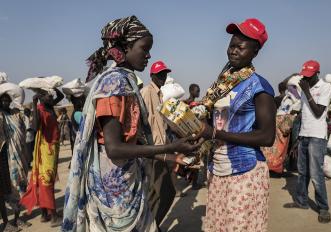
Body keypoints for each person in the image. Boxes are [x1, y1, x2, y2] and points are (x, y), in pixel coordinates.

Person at [62, 16, 202, 232]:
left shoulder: (124, 81)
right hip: (115, 193)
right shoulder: (115, 83)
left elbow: (132, 141)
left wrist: (171, 156)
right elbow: (115, 149)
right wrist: (172, 146)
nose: (148, 55)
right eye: (144, 49)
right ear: (126, 47)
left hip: (125, 184)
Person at [198, 18, 276, 231]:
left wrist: (215, 133)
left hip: (245, 172)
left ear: (255, 52)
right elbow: (214, 124)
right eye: (231, 45)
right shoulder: (222, 85)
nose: (233, 51)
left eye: (240, 47)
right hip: (218, 169)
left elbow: (267, 137)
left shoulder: (259, 87)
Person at [284, 60, 331, 223]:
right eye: (305, 76)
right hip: (304, 134)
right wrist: (298, 137)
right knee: (302, 172)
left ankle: (324, 208)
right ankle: (301, 201)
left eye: (309, 77)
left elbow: (319, 112)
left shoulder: (325, 87)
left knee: (316, 173)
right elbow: (304, 114)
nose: (306, 79)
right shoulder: (304, 88)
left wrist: (307, 91)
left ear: (317, 74)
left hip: (317, 137)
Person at [141, 60, 188, 226]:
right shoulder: (147, 92)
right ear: (152, 75)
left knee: (163, 192)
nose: (163, 76)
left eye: (165, 73)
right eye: (159, 74)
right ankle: (151, 225)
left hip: (163, 148)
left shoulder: (161, 95)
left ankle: (152, 225)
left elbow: (163, 124)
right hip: (154, 151)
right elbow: (143, 122)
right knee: (161, 192)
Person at [20, 87, 64, 227]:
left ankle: (45, 215)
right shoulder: (39, 110)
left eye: (51, 96)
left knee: (45, 179)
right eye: (48, 96)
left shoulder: (49, 107)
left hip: (52, 148)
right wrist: (33, 102)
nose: (51, 98)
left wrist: (53, 86)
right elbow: (35, 126)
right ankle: (54, 216)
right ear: (41, 98)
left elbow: (61, 95)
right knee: (46, 181)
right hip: (46, 149)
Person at [0, 93, 30, 228]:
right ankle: (8, 221)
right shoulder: (1, 116)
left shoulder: (15, 113)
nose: (6, 102)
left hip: (21, 153)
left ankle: (17, 218)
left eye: (7, 100)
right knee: (14, 186)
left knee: (21, 185)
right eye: (3, 100)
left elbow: (26, 125)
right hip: (9, 156)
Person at [0, 110, 20, 232]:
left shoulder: (1, 115)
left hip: (2, 154)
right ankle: (6, 223)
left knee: (2, 192)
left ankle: (7, 223)